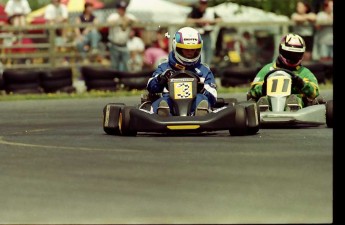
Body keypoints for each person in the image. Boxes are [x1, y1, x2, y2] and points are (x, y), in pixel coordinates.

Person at [146, 27, 217, 117]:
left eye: (193, 49)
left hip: (194, 104)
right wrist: (160, 79)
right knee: (162, 101)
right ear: (176, 48)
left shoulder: (204, 70)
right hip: (169, 100)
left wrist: (202, 89)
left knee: (201, 99)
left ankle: (199, 113)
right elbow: (150, 86)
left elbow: (213, 97)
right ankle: (164, 114)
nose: (190, 53)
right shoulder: (165, 67)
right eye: (186, 49)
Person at [247, 33, 319, 111]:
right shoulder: (268, 69)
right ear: (281, 50)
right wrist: (264, 88)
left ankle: (292, 107)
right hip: (271, 101)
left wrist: (301, 84)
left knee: (296, 99)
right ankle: (264, 108)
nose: (292, 57)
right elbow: (252, 91)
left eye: (296, 55)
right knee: (265, 100)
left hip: (297, 103)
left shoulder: (304, 72)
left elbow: (315, 92)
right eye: (289, 54)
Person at [186, 0, 222, 67]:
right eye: (202, 3)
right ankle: (199, 68)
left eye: (204, 3)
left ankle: (206, 68)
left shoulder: (210, 11)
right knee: (200, 53)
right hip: (198, 35)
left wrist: (210, 21)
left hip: (208, 35)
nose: (203, 5)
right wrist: (199, 21)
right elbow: (188, 20)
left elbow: (220, 19)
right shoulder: (195, 11)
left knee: (209, 53)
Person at [107, 0, 137, 71]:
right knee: (114, 66)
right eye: (120, 8)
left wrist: (127, 21)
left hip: (124, 45)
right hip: (114, 45)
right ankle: (115, 81)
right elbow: (109, 22)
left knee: (126, 65)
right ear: (117, 9)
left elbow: (136, 21)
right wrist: (121, 21)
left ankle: (125, 81)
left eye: (123, 8)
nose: (122, 10)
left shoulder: (129, 16)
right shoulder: (113, 16)